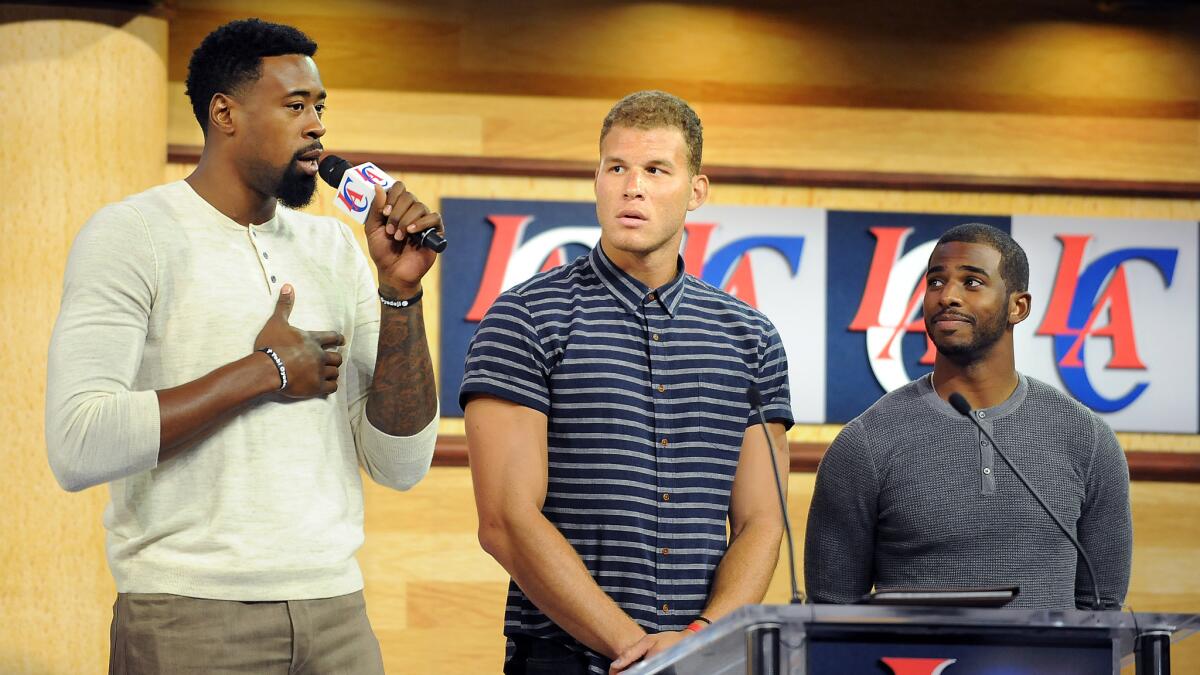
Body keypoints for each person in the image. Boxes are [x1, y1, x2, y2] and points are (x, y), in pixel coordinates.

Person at [45, 18, 442, 673]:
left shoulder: (335, 247)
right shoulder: (132, 234)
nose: (316, 124)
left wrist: (400, 294)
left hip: (337, 610)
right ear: (224, 113)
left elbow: (400, 463)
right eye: (295, 106)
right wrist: (264, 373)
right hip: (187, 616)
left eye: (320, 107)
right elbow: (77, 442)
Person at [460, 90, 794, 675]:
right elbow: (506, 521)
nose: (631, 186)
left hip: (705, 660)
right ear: (597, 179)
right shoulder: (525, 317)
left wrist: (700, 639)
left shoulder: (752, 337)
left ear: (696, 191)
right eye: (617, 167)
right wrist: (634, 649)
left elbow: (762, 521)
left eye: (655, 170)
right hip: (562, 659)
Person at [805, 223, 1132, 609]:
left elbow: (1102, 607)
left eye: (972, 282)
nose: (948, 297)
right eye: (936, 282)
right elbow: (832, 609)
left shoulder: (1087, 438)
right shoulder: (866, 443)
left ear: (1018, 306)